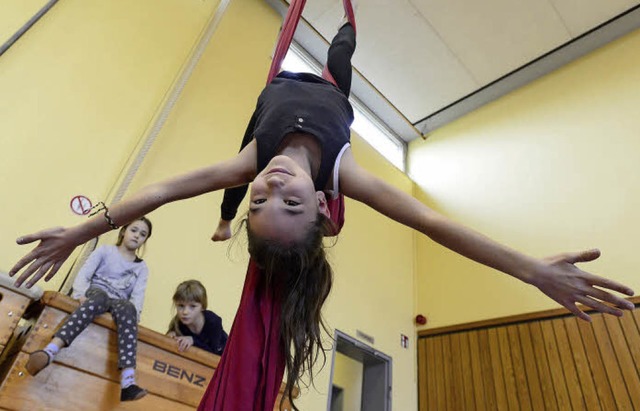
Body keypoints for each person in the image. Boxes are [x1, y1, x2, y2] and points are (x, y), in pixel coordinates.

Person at [9, 7, 634, 411]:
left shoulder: (254, 162)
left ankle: (227, 214)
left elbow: (161, 191)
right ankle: (348, 18)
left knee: (231, 168)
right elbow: (439, 225)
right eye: (288, 200)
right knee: (342, 52)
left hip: (275, 96)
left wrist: (82, 232)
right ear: (321, 208)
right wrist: (530, 269)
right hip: (332, 93)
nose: (275, 181)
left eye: (263, 199)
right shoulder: (344, 173)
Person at [24, 217, 152, 402]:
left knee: (128, 308)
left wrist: (134, 316)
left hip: (118, 302)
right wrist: (80, 294)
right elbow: (85, 273)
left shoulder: (141, 267)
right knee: (98, 297)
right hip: (97, 292)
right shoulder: (106, 251)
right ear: (123, 231)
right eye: (134, 230)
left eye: (143, 234)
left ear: (145, 240)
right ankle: (50, 351)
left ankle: (128, 382)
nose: (137, 236)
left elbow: (138, 295)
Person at [167, 280, 228, 355]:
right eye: (181, 306)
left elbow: (213, 353)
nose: (185, 312)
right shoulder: (178, 322)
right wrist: (171, 337)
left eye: (192, 306)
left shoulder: (213, 321)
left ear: (202, 307)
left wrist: (193, 341)